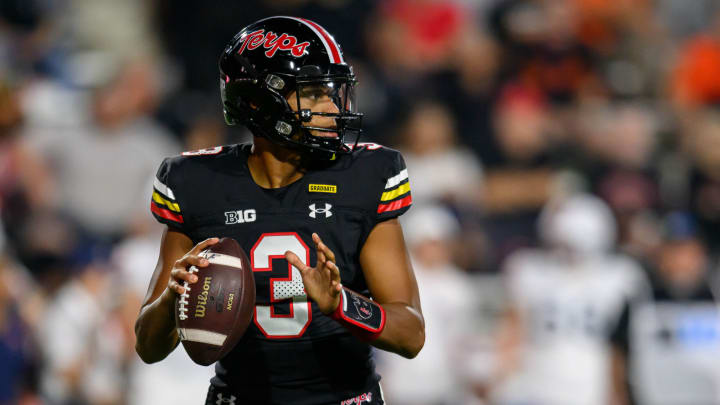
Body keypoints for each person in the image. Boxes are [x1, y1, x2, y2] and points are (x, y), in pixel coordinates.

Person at [134, 16, 425, 405]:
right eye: (313, 93)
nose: (330, 106)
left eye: (332, 92)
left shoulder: (363, 176)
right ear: (258, 101)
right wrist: (173, 298)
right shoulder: (197, 183)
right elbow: (149, 348)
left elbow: (411, 334)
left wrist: (341, 304)